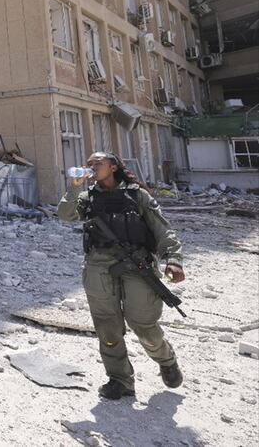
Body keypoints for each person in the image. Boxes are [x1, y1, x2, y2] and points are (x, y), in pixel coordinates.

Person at [58, 151, 185, 400]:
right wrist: (74, 188)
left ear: (113, 167)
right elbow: (65, 215)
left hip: (136, 264)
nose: (92, 166)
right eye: (89, 163)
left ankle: (165, 359)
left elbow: (162, 230)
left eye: (98, 163)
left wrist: (174, 260)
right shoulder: (87, 197)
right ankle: (120, 380)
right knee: (107, 326)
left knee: (143, 324)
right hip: (99, 266)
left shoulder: (137, 195)